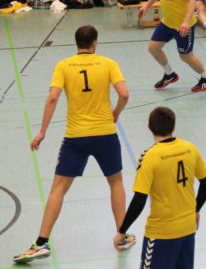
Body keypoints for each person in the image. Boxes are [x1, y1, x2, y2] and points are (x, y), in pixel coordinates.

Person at [13, 25, 135, 264]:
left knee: (58, 188)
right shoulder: (108, 63)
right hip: (105, 134)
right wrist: (116, 114)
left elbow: (52, 97)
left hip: (75, 137)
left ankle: (40, 243)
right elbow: (124, 94)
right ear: (94, 43)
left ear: (76, 43)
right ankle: (121, 235)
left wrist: (42, 132)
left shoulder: (63, 66)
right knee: (116, 182)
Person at [113, 106, 206, 268]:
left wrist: (122, 230)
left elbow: (139, 199)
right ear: (174, 127)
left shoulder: (149, 157)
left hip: (161, 233)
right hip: (188, 230)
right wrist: (196, 209)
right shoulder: (190, 148)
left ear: (149, 127)